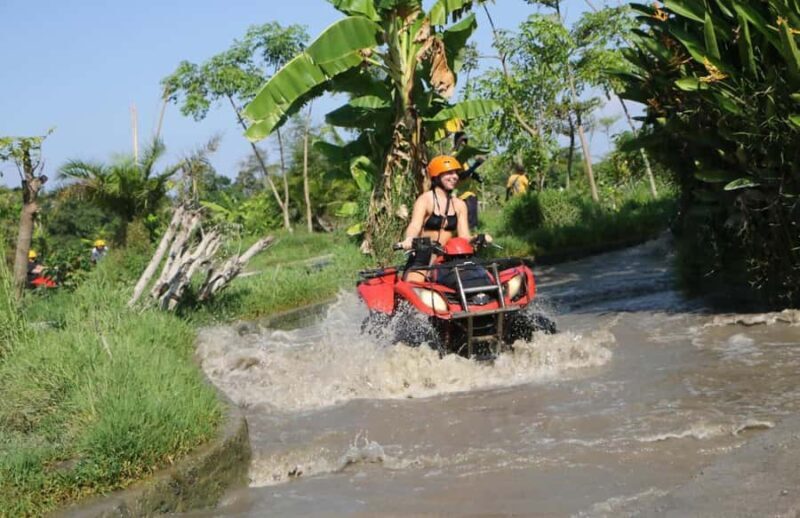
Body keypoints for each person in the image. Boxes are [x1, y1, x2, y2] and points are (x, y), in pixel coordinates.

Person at [399, 155, 483, 283]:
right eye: (449, 173)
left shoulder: (459, 204)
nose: (455, 176)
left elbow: (464, 237)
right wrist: (409, 238)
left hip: (448, 258)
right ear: (436, 175)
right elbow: (415, 225)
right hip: (424, 256)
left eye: (456, 173)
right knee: (414, 287)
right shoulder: (425, 199)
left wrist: (477, 239)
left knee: (472, 282)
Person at [452, 132, 485, 231]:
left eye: (465, 141)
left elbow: (468, 172)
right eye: (461, 141)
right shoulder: (455, 156)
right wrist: (476, 165)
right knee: (467, 224)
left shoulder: (465, 157)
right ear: (456, 142)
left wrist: (475, 176)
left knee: (472, 224)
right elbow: (460, 176)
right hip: (463, 194)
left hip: (471, 192)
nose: (464, 143)